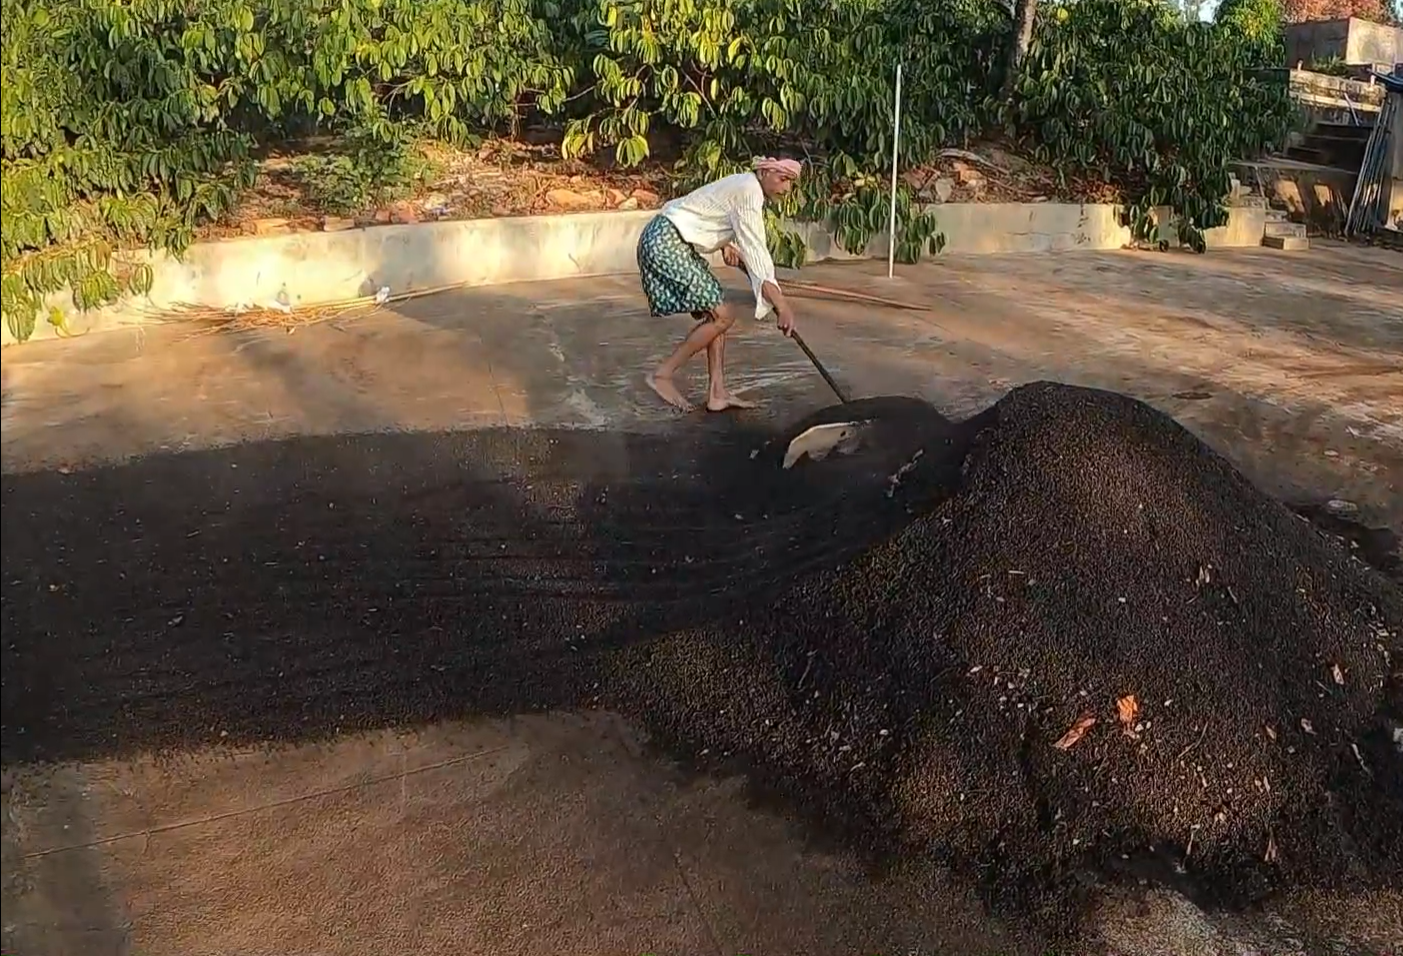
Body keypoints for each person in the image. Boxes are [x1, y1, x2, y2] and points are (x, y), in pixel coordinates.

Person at [635, 156, 802, 412]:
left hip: (665, 237)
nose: (786, 188)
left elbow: (708, 207)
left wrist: (726, 243)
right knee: (724, 315)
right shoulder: (749, 191)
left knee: (717, 313)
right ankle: (662, 375)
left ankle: (717, 393)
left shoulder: (743, 184)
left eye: (790, 182)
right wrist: (782, 305)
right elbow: (757, 253)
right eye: (783, 179)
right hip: (666, 242)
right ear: (764, 173)